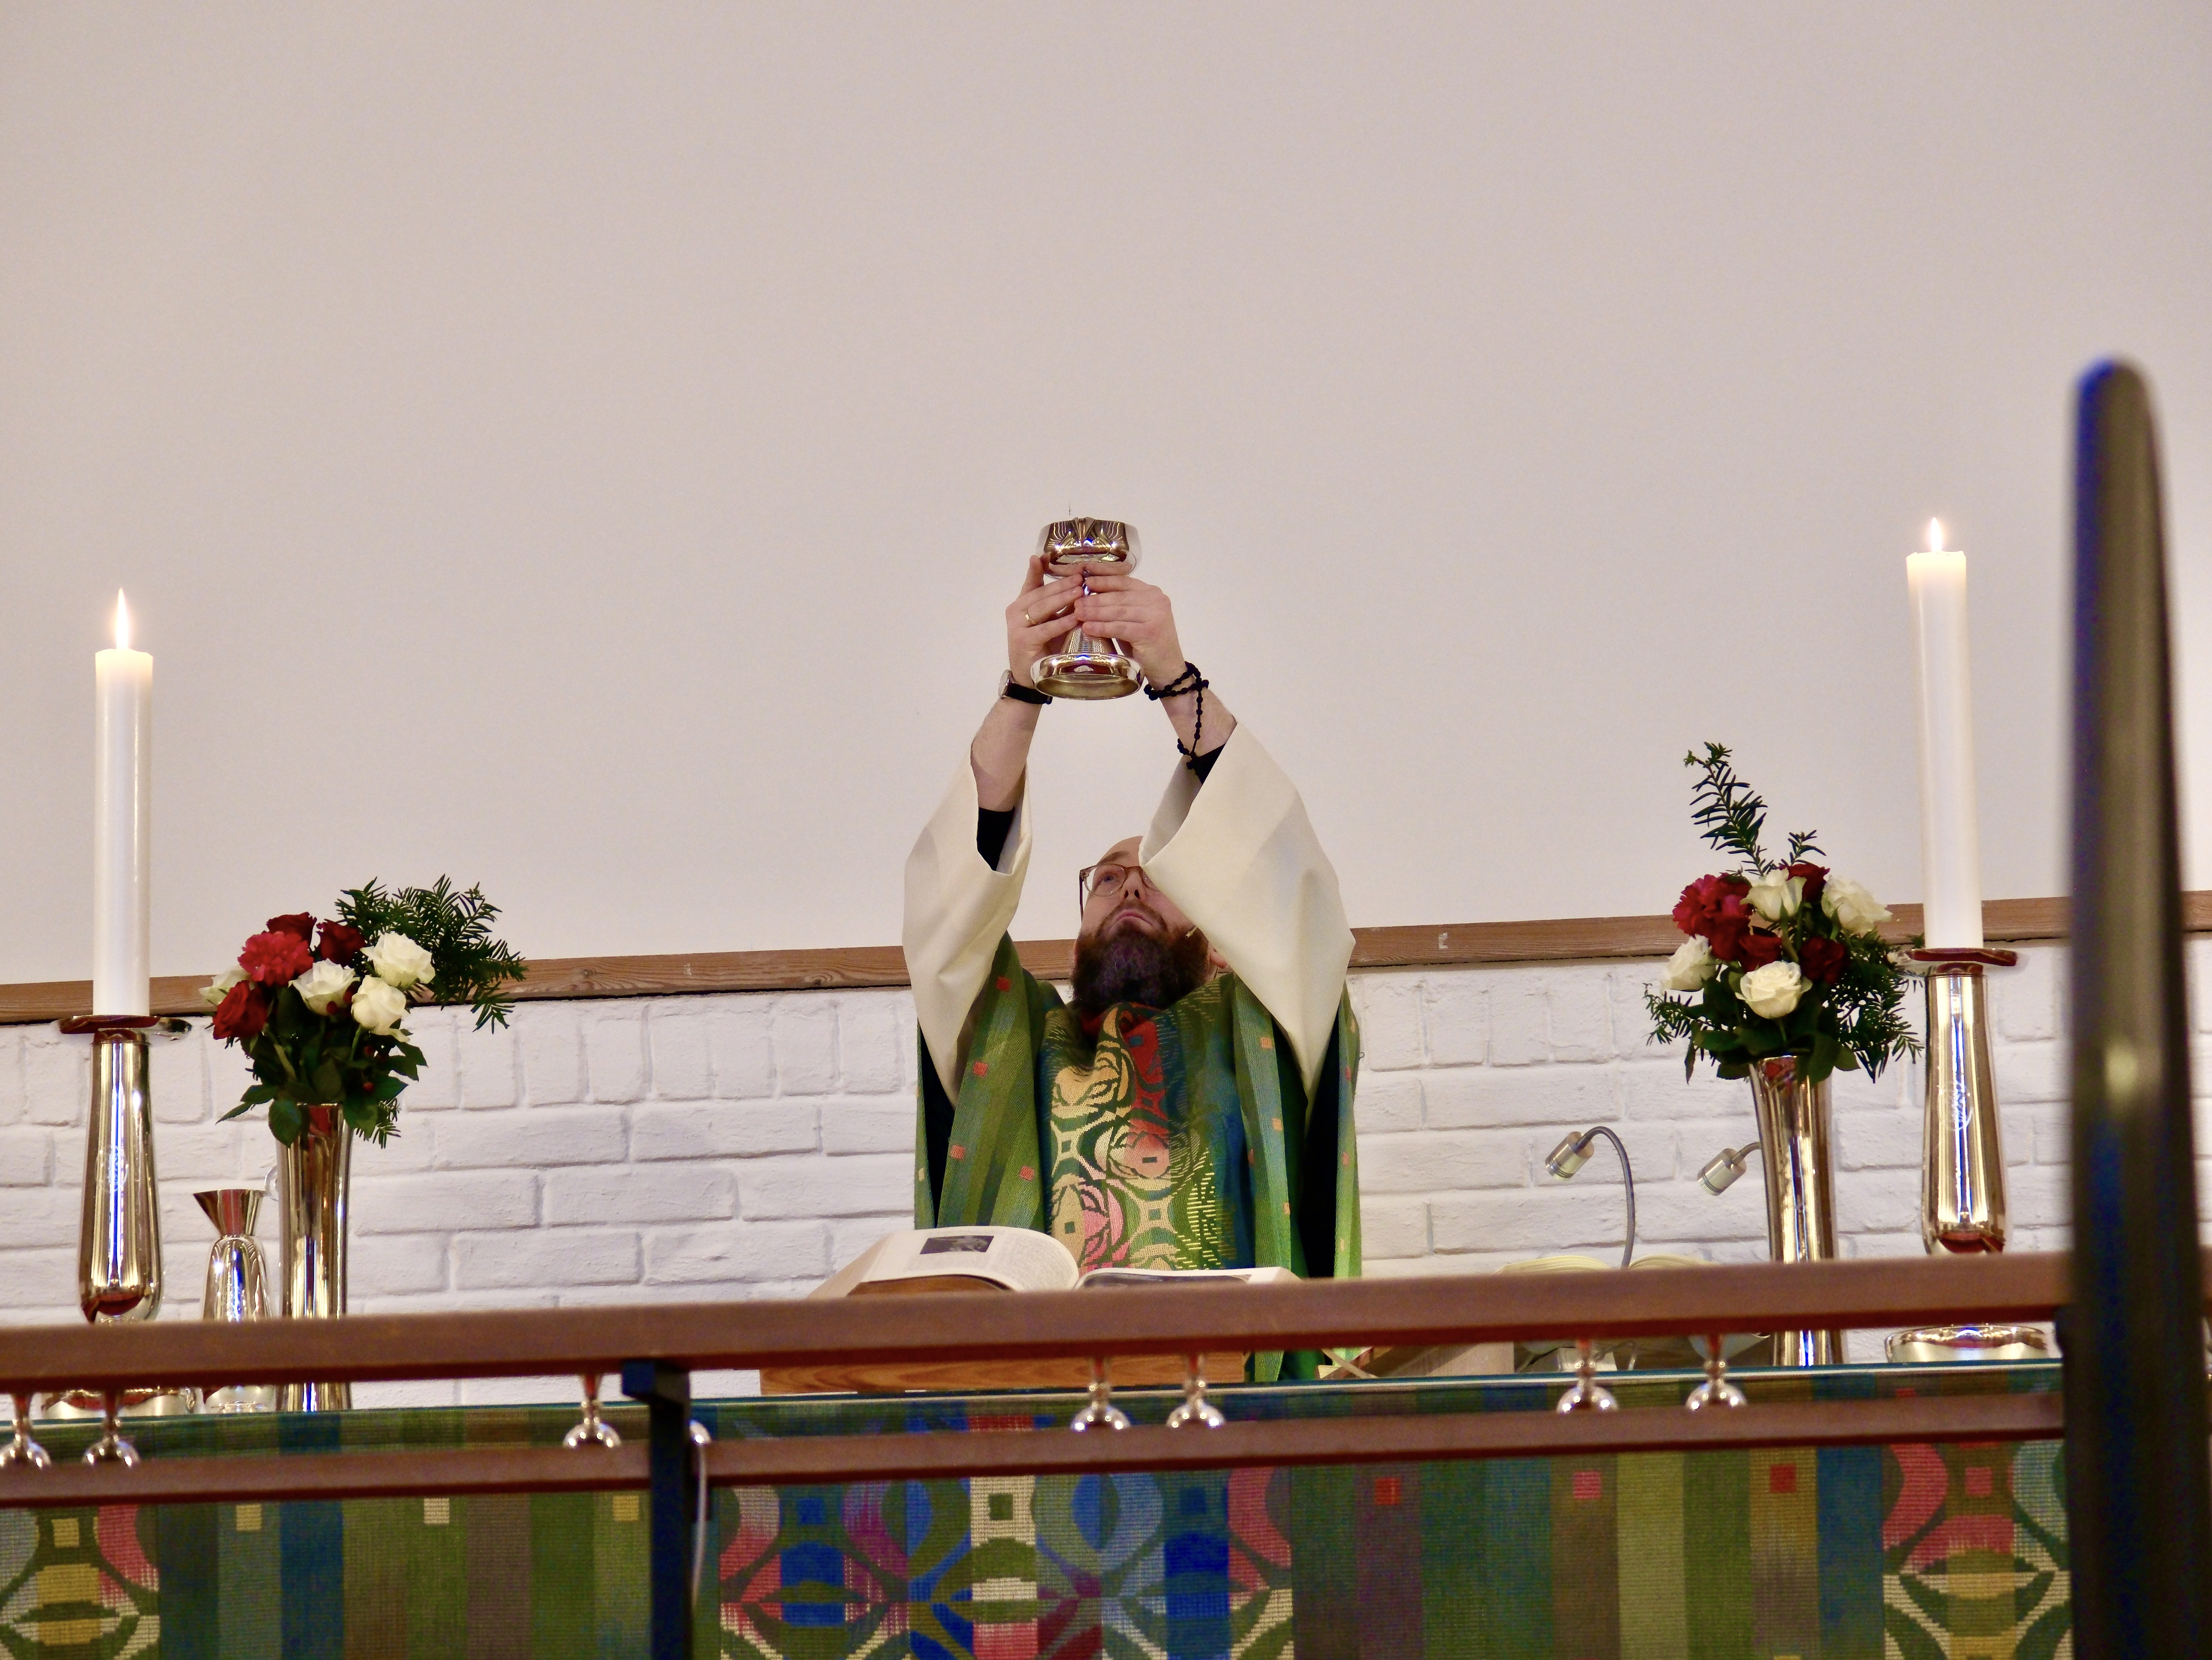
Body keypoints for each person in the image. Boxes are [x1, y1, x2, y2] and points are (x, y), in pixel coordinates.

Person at [902, 551, 1360, 1377]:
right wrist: (1023, 689)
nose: (1130, 886)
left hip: (1228, 1405)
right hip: (1050, 1405)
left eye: (1157, 875)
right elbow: (949, 925)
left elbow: (1293, 903)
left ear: (1221, 940)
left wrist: (1175, 677)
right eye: (1109, 879)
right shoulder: (1016, 1038)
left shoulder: (1255, 1028)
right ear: (1076, 933)